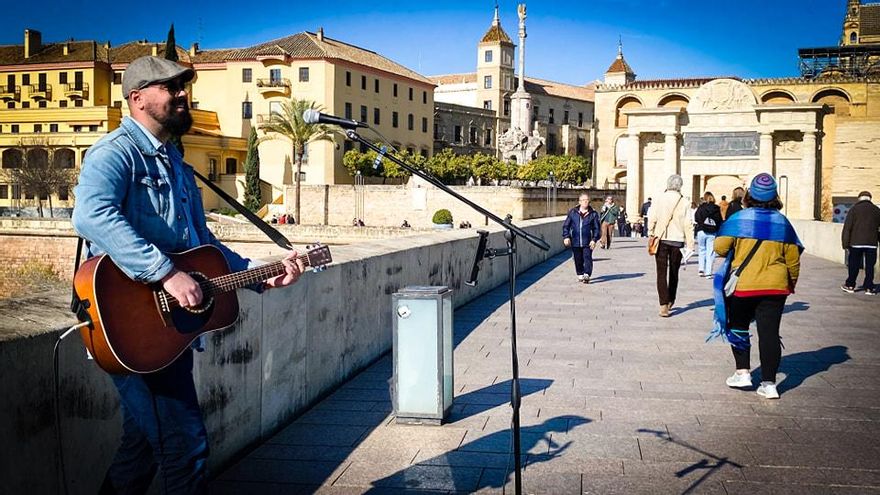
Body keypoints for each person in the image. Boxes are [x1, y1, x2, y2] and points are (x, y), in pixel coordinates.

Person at [71, 56, 305, 494]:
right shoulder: (114, 153)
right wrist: (165, 274)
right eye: (170, 87)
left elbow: (203, 245)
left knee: (139, 451)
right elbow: (91, 215)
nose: (182, 95)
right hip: (129, 324)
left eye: (184, 86)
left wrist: (258, 273)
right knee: (186, 450)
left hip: (166, 331)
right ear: (137, 98)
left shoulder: (176, 164)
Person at [710, 173, 802, 400]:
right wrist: (790, 283)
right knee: (770, 333)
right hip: (776, 286)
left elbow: (720, 248)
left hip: (745, 284)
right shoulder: (782, 222)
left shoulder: (740, 219)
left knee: (738, 325)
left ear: (750, 194)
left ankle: (742, 373)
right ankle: (769, 384)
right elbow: (793, 259)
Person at [648, 175, 694, 317]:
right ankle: (671, 299)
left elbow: (652, 216)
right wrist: (690, 244)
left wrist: (651, 232)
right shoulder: (685, 201)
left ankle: (663, 304)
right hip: (677, 241)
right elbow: (688, 224)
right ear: (680, 186)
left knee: (661, 273)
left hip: (661, 239)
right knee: (674, 272)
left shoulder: (659, 198)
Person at [841, 190, 880, 295]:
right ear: (870, 198)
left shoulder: (854, 210)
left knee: (854, 265)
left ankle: (850, 285)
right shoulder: (877, 210)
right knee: (870, 266)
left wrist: (845, 243)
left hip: (856, 243)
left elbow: (847, 228)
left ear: (859, 198)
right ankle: (869, 287)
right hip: (872, 243)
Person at [562, 193, 600, 284]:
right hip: (575, 240)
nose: (585, 202)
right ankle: (580, 273)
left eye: (587, 200)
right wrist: (566, 236)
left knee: (587, 257)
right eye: (583, 200)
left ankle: (587, 274)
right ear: (579, 202)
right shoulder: (573, 212)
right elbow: (566, 226)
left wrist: (594, 239)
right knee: (578, 258)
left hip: (588, 241)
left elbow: (597, 228)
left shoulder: (593, 214)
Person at [694, 191, 724, 278]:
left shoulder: (701, 207)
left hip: (701, 231)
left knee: (701, 250)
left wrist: (702, 224)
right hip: (712, 232)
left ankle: (701, 269)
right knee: (710, 252)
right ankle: (708, 272)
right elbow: (719, 220)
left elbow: (696, 218)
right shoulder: (716, 208)